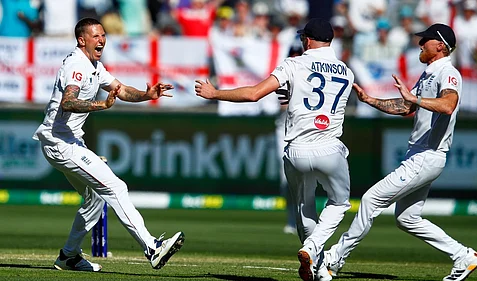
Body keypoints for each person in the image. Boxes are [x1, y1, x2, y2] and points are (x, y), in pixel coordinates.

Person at [195, 18, 354, 281]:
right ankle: (314, 252)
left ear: (307, 40)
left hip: (297, 149)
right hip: (329, 147)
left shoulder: (293, 64)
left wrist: (215, 94)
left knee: (304, 208)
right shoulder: (346, 73)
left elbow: (254, 94)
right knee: (339, 203)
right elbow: (322, 101)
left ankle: (318, 267)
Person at [323, 23, 477, 281]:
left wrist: (415, 99)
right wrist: (371, 100)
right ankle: (463, 256)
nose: (420, 44)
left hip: (427, 154)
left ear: (441, 46)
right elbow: (405, 107)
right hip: (420, 155)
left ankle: (333, 258)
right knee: (407, 218)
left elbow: (448, 105)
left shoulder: (448, 72)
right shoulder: (429, 72)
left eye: (427, 40)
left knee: (370, 200)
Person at [32, 18, 184, 272]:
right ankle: (152, 248)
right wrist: (100, 105)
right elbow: (68, 102)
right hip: (60, 143)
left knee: (94, 198)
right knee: (115, 186)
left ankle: (69, 255)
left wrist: (146, 95)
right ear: (82, 40)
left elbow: (121, 90)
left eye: (103, 35)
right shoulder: (76, 65)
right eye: (96, 36)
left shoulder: (95, 65)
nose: (102, 39)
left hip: (68, 141)